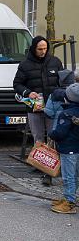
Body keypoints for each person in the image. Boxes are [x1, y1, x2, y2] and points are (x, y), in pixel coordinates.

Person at [13, 36, 63, 143]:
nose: (43, 51)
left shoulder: (55, 62)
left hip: (53, 106)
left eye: (45, 48)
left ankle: (53, 159)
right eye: (40, 49)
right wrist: (28, 93)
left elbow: (62, 83)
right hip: (34, 106)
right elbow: (17, 84)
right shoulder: (24, 65)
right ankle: (39, 159)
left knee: (53, 136)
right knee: (38, 137)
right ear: (34, 49)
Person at [49, 83, 79, 214]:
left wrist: (51, 134)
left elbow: (60, 133)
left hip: (68, 150)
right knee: (75, 175)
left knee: (68, 176)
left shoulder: (66, 114)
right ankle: (70, 198)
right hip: (77, 149)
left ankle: (69, 202)